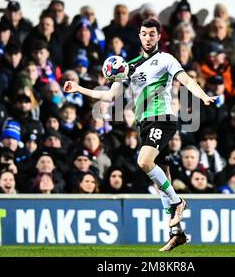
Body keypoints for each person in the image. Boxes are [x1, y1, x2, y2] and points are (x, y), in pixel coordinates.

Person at [64, 18, 216, 251]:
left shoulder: (166, 59)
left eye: (152, 34)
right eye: (144, 33)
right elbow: (110, 96)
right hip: (144, 124)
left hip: (163, 119)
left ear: (158, 37)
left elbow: (185, 80)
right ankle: (177, 233)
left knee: (144, 161)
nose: (148, 38)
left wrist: (203, 96)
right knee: (160, 179)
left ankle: (178, 203)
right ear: (139, 36)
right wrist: (78, 88)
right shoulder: (128, 66)